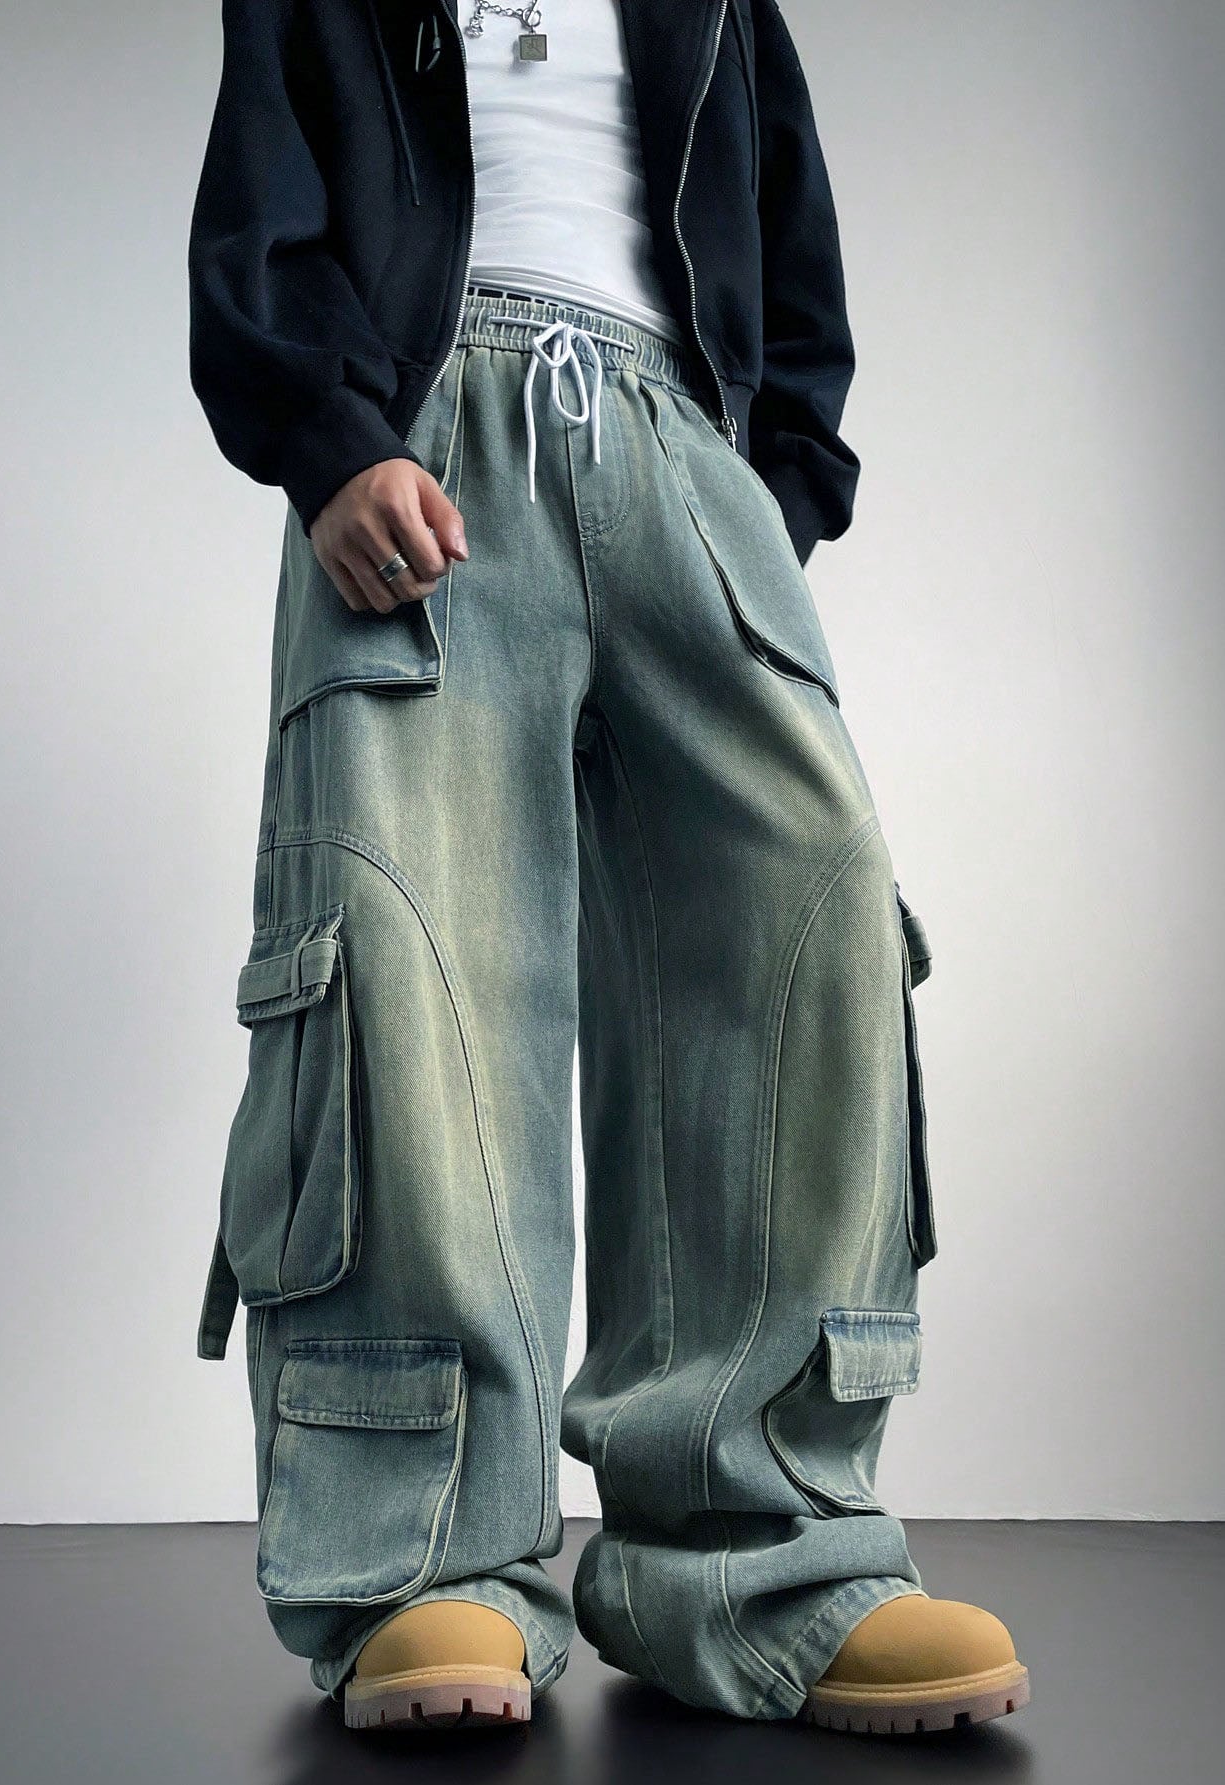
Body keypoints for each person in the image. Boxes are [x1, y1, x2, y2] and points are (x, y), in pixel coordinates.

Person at [187, 0, 1031, 1738]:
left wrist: (762, 499)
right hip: (420, 452)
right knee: (413, 975)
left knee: (805, 930)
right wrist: (334, 442)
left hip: (680, 452)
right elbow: (260, 208)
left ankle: (768, 1555)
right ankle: (426, 1559)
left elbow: (792, 245)